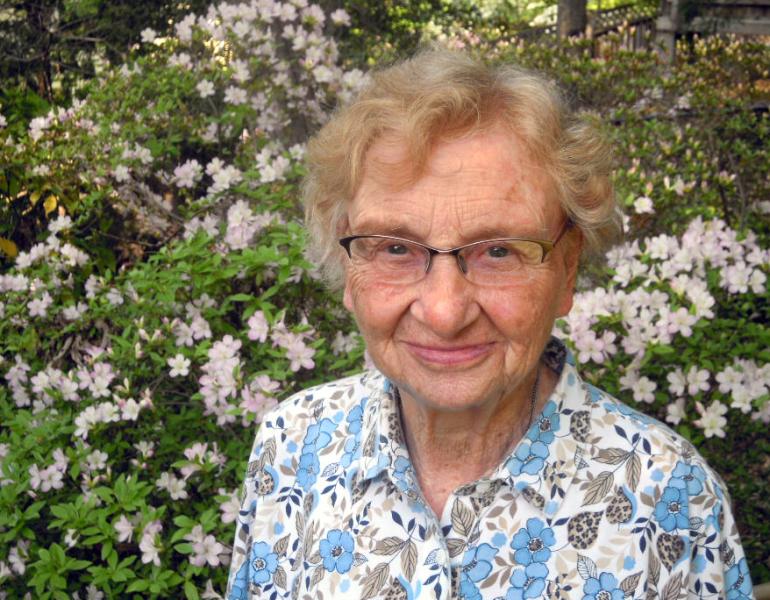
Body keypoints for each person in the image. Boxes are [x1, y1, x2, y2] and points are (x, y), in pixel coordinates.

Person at [226, 49, 751, 600]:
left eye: (499, 250)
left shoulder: (671, 496)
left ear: (566, 268)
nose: (446, 312)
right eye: (396, 248)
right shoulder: (291, 445)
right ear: (346, 266)